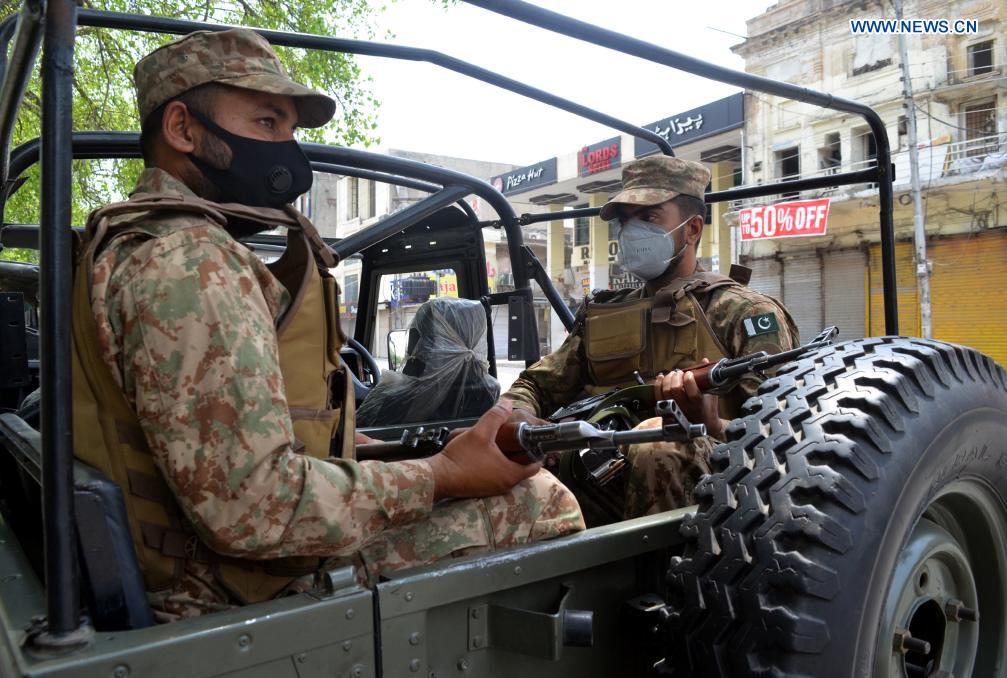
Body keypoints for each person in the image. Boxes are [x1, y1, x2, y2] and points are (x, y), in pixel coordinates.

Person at [71, 28, 583, 622]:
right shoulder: (194, 262)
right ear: (183, 129)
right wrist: (439, 476)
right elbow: (252, 508)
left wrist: (349, 451)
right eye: (266, 123)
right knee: (541, 499)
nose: (286, 150)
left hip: (186, 566)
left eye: (290, 130)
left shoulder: (128, 245)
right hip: (228, 590)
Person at [502, 155, 799, 526]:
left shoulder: (744, 313)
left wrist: (710, 424)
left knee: (656, 442)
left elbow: (779, 436)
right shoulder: (604, 314)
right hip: (600, 474)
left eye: (649, 217)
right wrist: (519, 418)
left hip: (718, 491)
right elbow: (537, 384)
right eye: (625, 221)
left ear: (692, 229)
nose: (631, 232)